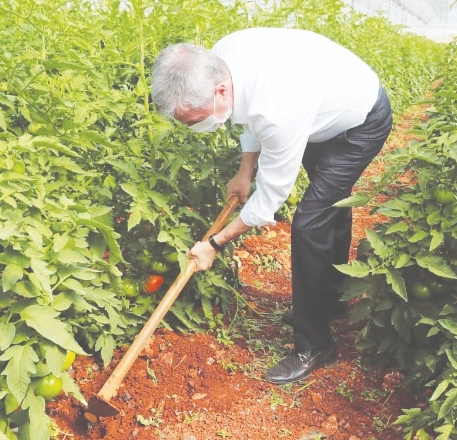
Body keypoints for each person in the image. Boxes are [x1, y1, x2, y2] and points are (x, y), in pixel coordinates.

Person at [150, 27, 392, 384]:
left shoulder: (279, 108)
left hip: (359, 122)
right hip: (317, 112)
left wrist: (214, 243)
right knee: (330, 206)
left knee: (310, 222)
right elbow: (246, 113)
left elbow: (269, 200)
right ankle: (332, 299)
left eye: (197, 120)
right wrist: (245, 169)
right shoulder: (219, 62)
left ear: (218, 90)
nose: (195, 128)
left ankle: (316, 344)